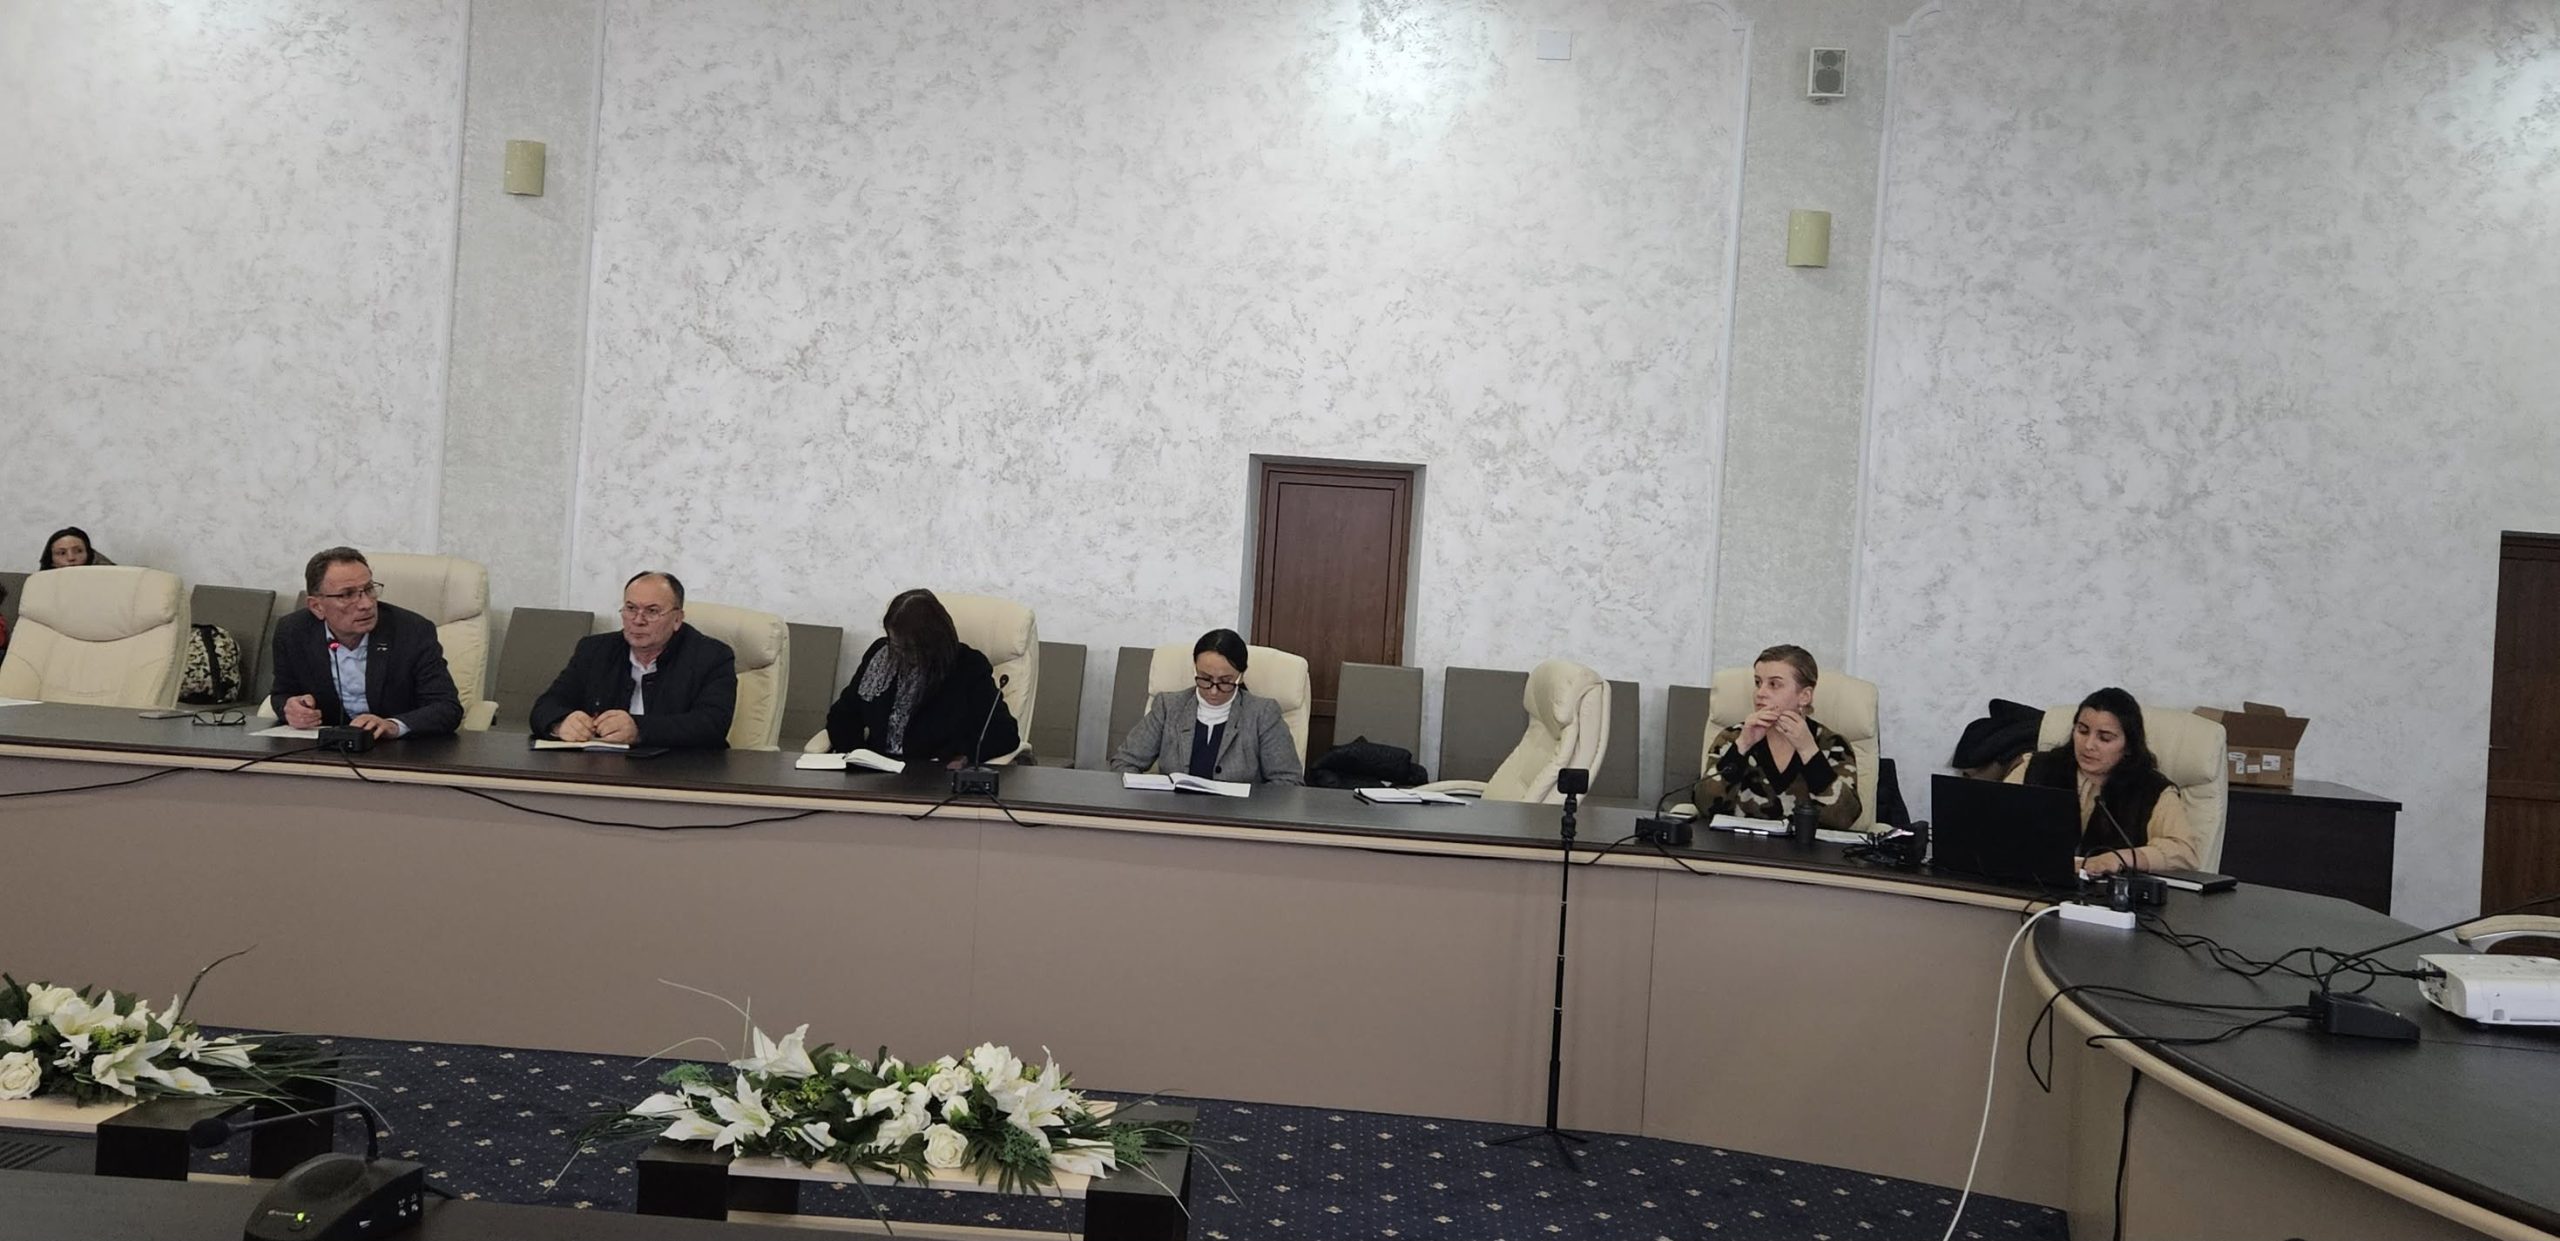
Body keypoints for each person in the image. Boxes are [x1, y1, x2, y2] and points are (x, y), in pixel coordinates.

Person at [267, 546, 462, 739]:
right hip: (327, 746)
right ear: (317, 606)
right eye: (347, 595)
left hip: (399, 750)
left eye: (369, 589)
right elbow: (282, 694)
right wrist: (291, 708)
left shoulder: (412, 631)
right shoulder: (293, 632)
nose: (366, 604)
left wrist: (393, 725)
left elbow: (447, 708)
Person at [529, 571, 736, 749]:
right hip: (601, 771)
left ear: (677, 619)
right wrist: (561, 723)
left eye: (652, 611)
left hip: (680, 772)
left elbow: (711, 725)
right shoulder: (595, 650)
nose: (638, 620)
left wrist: (638, 730)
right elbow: (546, 706)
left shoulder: (711, 657)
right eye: (630, 608)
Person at [2006, 687, 2200, 875]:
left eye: (2105, 738)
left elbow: (2185, 853)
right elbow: (1996, 819)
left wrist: (2120, 858)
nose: (2089, 745)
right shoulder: (2036, 768)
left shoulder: (2152, 790)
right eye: (2082, 731)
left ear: (2129, 746)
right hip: (2030, 882)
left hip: (2104, 893)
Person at [824, 589, 1018, 767]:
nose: (898, 653)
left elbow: (1004, 733)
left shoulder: (968, 666)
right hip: (876, 771)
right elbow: (843, 715)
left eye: (907, 647)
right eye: (894, 643)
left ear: (932, 642)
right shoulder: (880, 655)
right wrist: (857, 756)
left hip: (930, 774)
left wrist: (965, 756)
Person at [1690, 644, 1862, 829]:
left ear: (1804, 696)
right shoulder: (1732, 738)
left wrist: (1808, 750)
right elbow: (1705, 805)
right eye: (1758, 683)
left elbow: (1844, 818)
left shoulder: (1833, 745)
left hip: (1805, 847)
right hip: (1738, 845)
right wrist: (1743, 745)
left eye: (1774, 684)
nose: (1760, 693)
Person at [1110, 629, 1304, 785]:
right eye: (1205, 679)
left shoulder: (1262, 713)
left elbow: (1288, 781)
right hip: (1173, 814)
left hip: (1238, 817)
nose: (1213, 690)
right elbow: (1124, 762)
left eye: (1225, 681)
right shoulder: (1168, 707)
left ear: (1241, 675)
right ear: (1195, 669)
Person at [37, 527, 113, 571]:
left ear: (89, 555)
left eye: (78, 551)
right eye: (62, 553)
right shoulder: (37, 584)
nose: (71, 558)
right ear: (51, 560)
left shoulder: (112, 578)